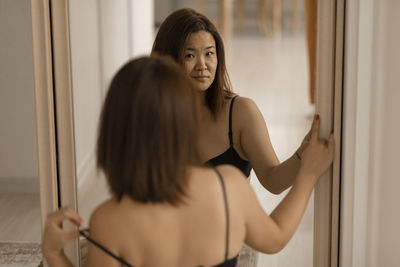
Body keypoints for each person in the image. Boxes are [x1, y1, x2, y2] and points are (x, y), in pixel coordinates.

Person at [42, 56, 334, 267]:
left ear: (115, 132)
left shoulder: (109, 221)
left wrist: (53, 254)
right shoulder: (229, 186)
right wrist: (308, 173)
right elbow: (276, 238)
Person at [151, 8, 319, 265]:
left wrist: (303, 156)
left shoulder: (240, 113)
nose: (202, 65)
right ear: (168, 60)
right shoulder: (154, 117)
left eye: (209, 53)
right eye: (189, 55)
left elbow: (273, 180)